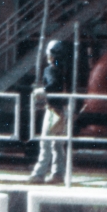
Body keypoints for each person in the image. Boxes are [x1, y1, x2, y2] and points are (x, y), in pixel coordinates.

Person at [29, 40, 71, 184]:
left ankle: (38, 174)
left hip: (53, 110)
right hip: (62, 110)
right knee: (57, 145)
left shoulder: (50, 70)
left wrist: (42, 91)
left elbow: (52, 85)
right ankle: (58, 174)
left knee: (46, 143)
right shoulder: (63, 70)